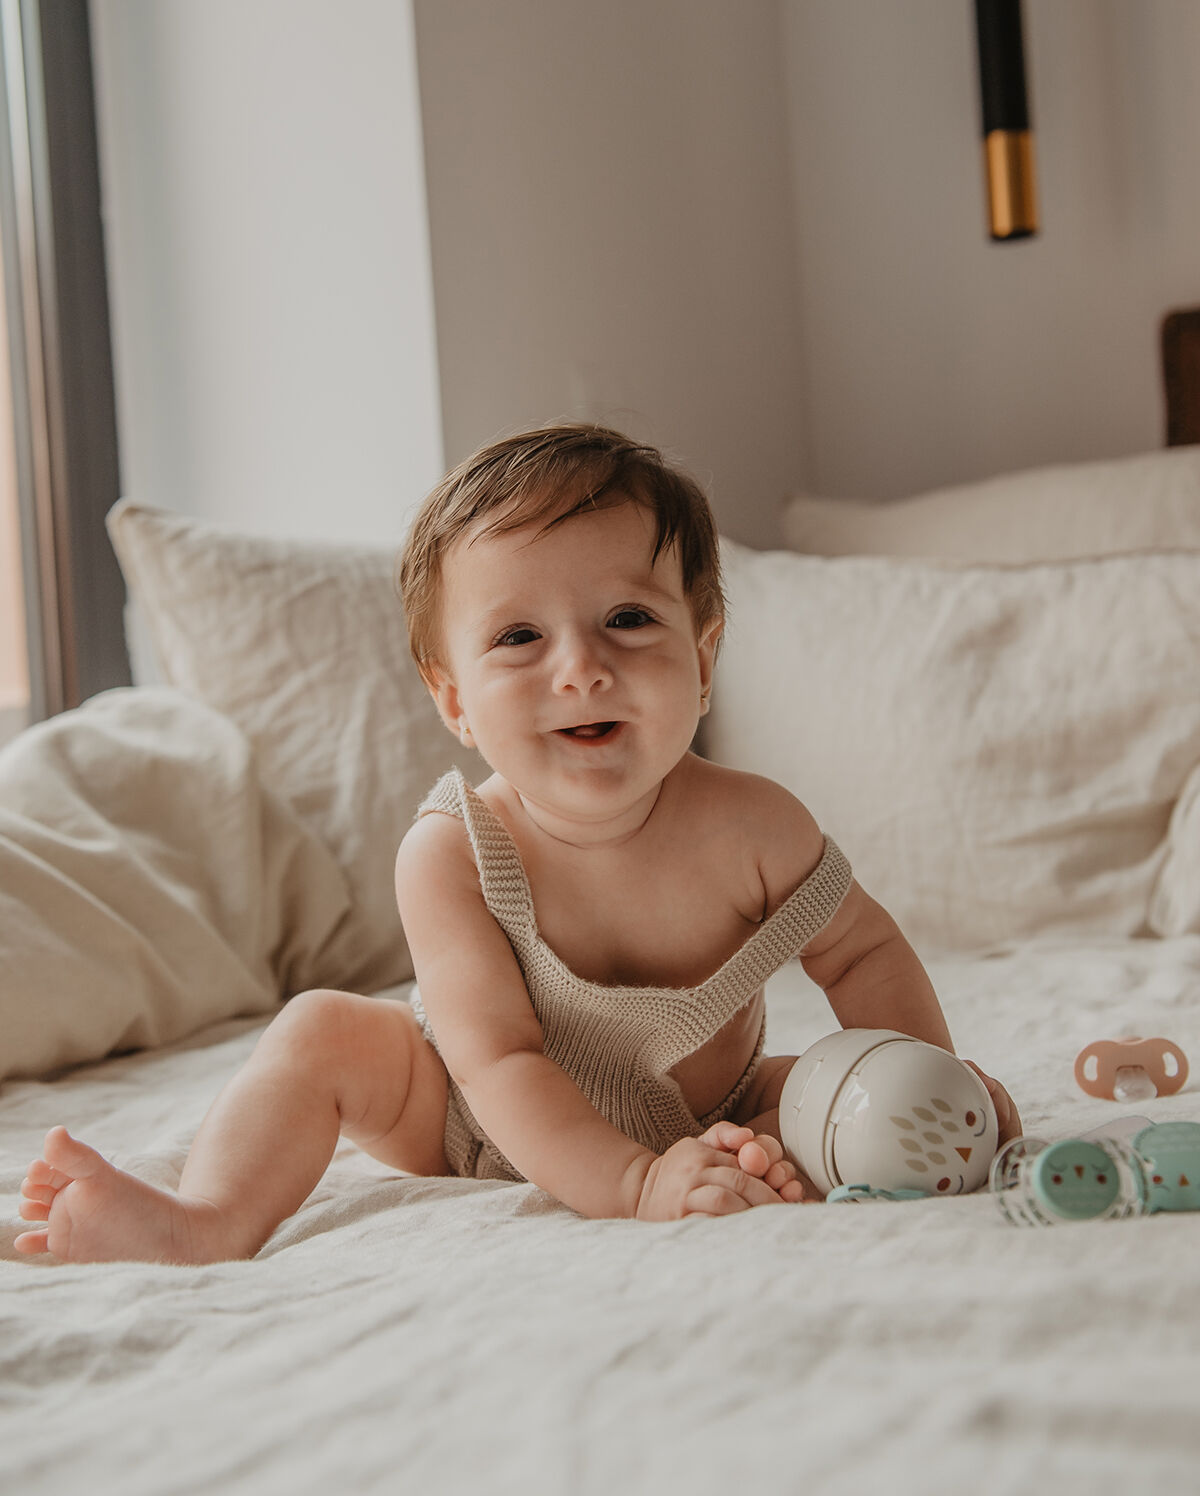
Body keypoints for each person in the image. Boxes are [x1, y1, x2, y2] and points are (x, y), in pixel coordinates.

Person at [16, 422, 1019, 1261]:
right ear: (453, 699)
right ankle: (204, 1219)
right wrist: (636, 1184)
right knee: (322, 1031)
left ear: (704, 659)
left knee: (835, 1089)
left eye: (629, 618)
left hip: (710, 1104)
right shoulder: (454, 851)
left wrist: (926, 1085)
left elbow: (863, 952)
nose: (580, 668)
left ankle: (797, 1146)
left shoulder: (756, 826)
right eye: (519, 638)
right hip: (463, 1116)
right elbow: (496, 1061)